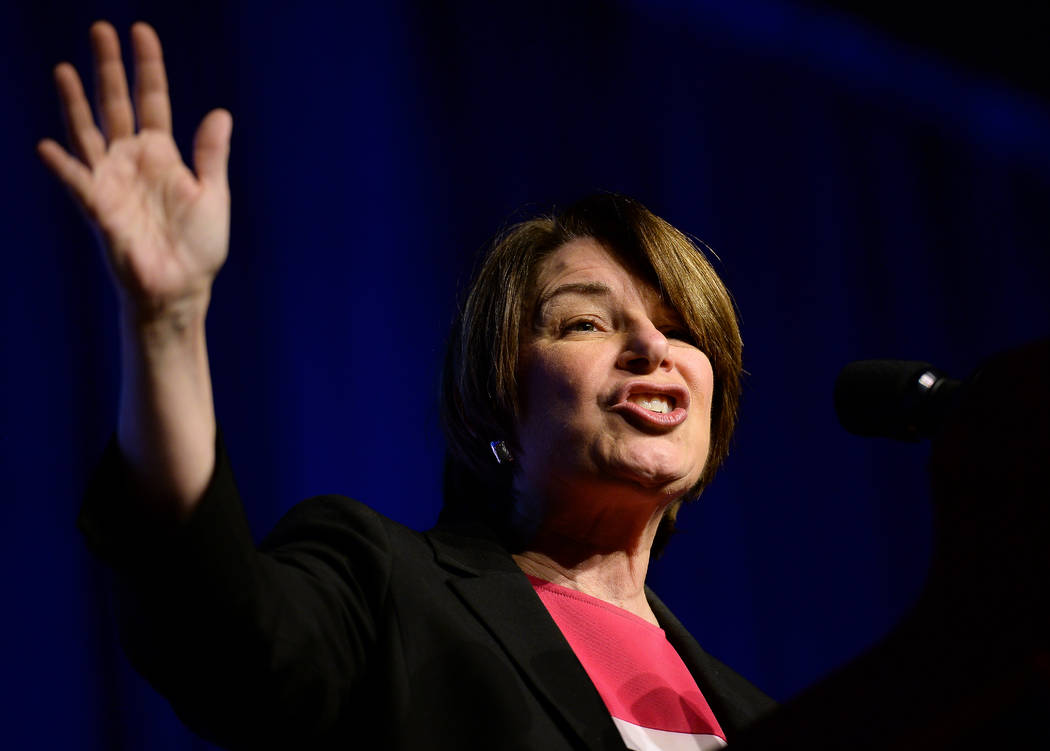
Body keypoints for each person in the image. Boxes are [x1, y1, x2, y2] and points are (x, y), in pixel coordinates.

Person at [40, 21, 775, 751]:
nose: (653, 347)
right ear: (498, 393)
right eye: (585, 323)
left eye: (679, 328)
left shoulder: (762, 717)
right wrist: (168, 320)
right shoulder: (388, 588)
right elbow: (223, 641)